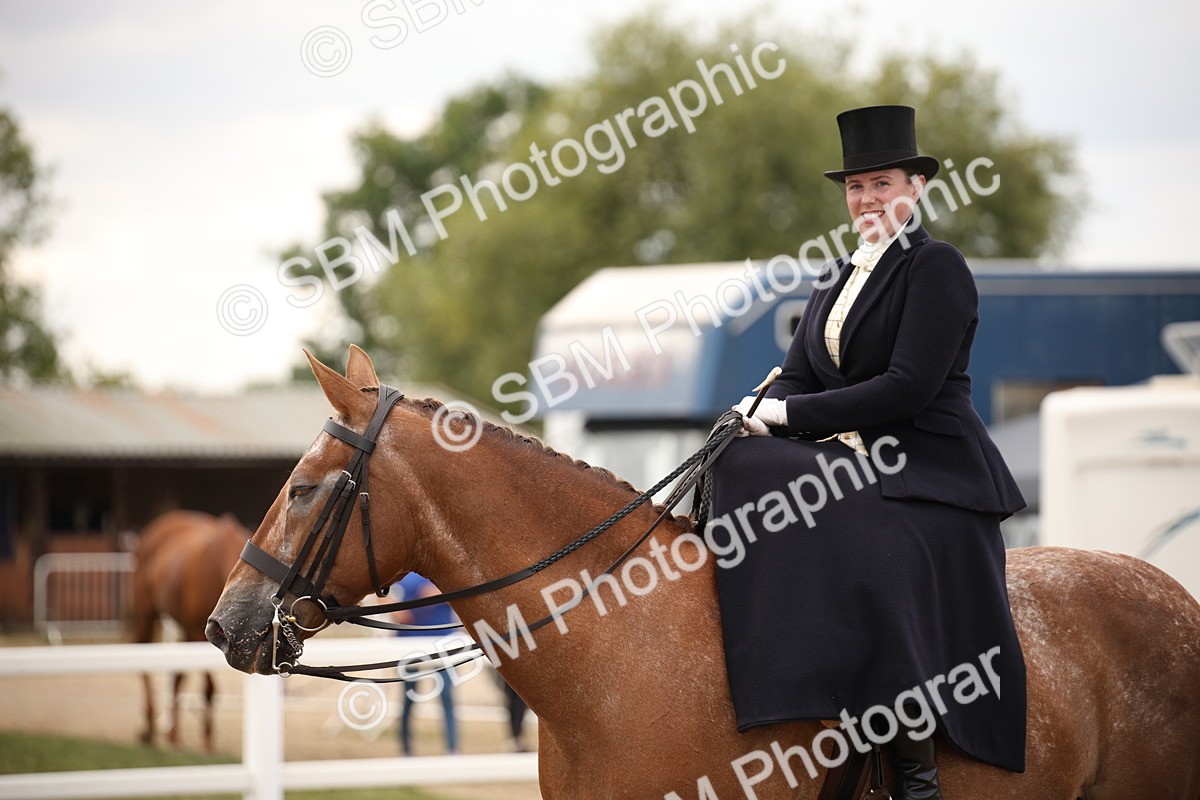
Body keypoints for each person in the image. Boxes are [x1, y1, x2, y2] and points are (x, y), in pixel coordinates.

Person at [714, 105, 1026, 799]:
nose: (866, 200)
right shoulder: (834, 275)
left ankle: (913, 766)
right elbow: (796, 375)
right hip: (853, 464)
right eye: (856, 188)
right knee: (740, 463)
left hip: (931, 472)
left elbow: (906, 389)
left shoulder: (938, 267)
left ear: (915, 187)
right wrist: (750, 412)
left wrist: (788, 416)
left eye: (881, 184)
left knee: (867, 549)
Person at [392, 572, 459, 756]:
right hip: (409, 641)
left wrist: (439, 591)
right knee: (408, 698)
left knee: (447, 695)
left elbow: (463, 588)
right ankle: (406, 749)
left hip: (442, 641)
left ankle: (452, 749)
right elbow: (379, 594)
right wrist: (395, 610)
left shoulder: (442, 563)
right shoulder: (401, 569)